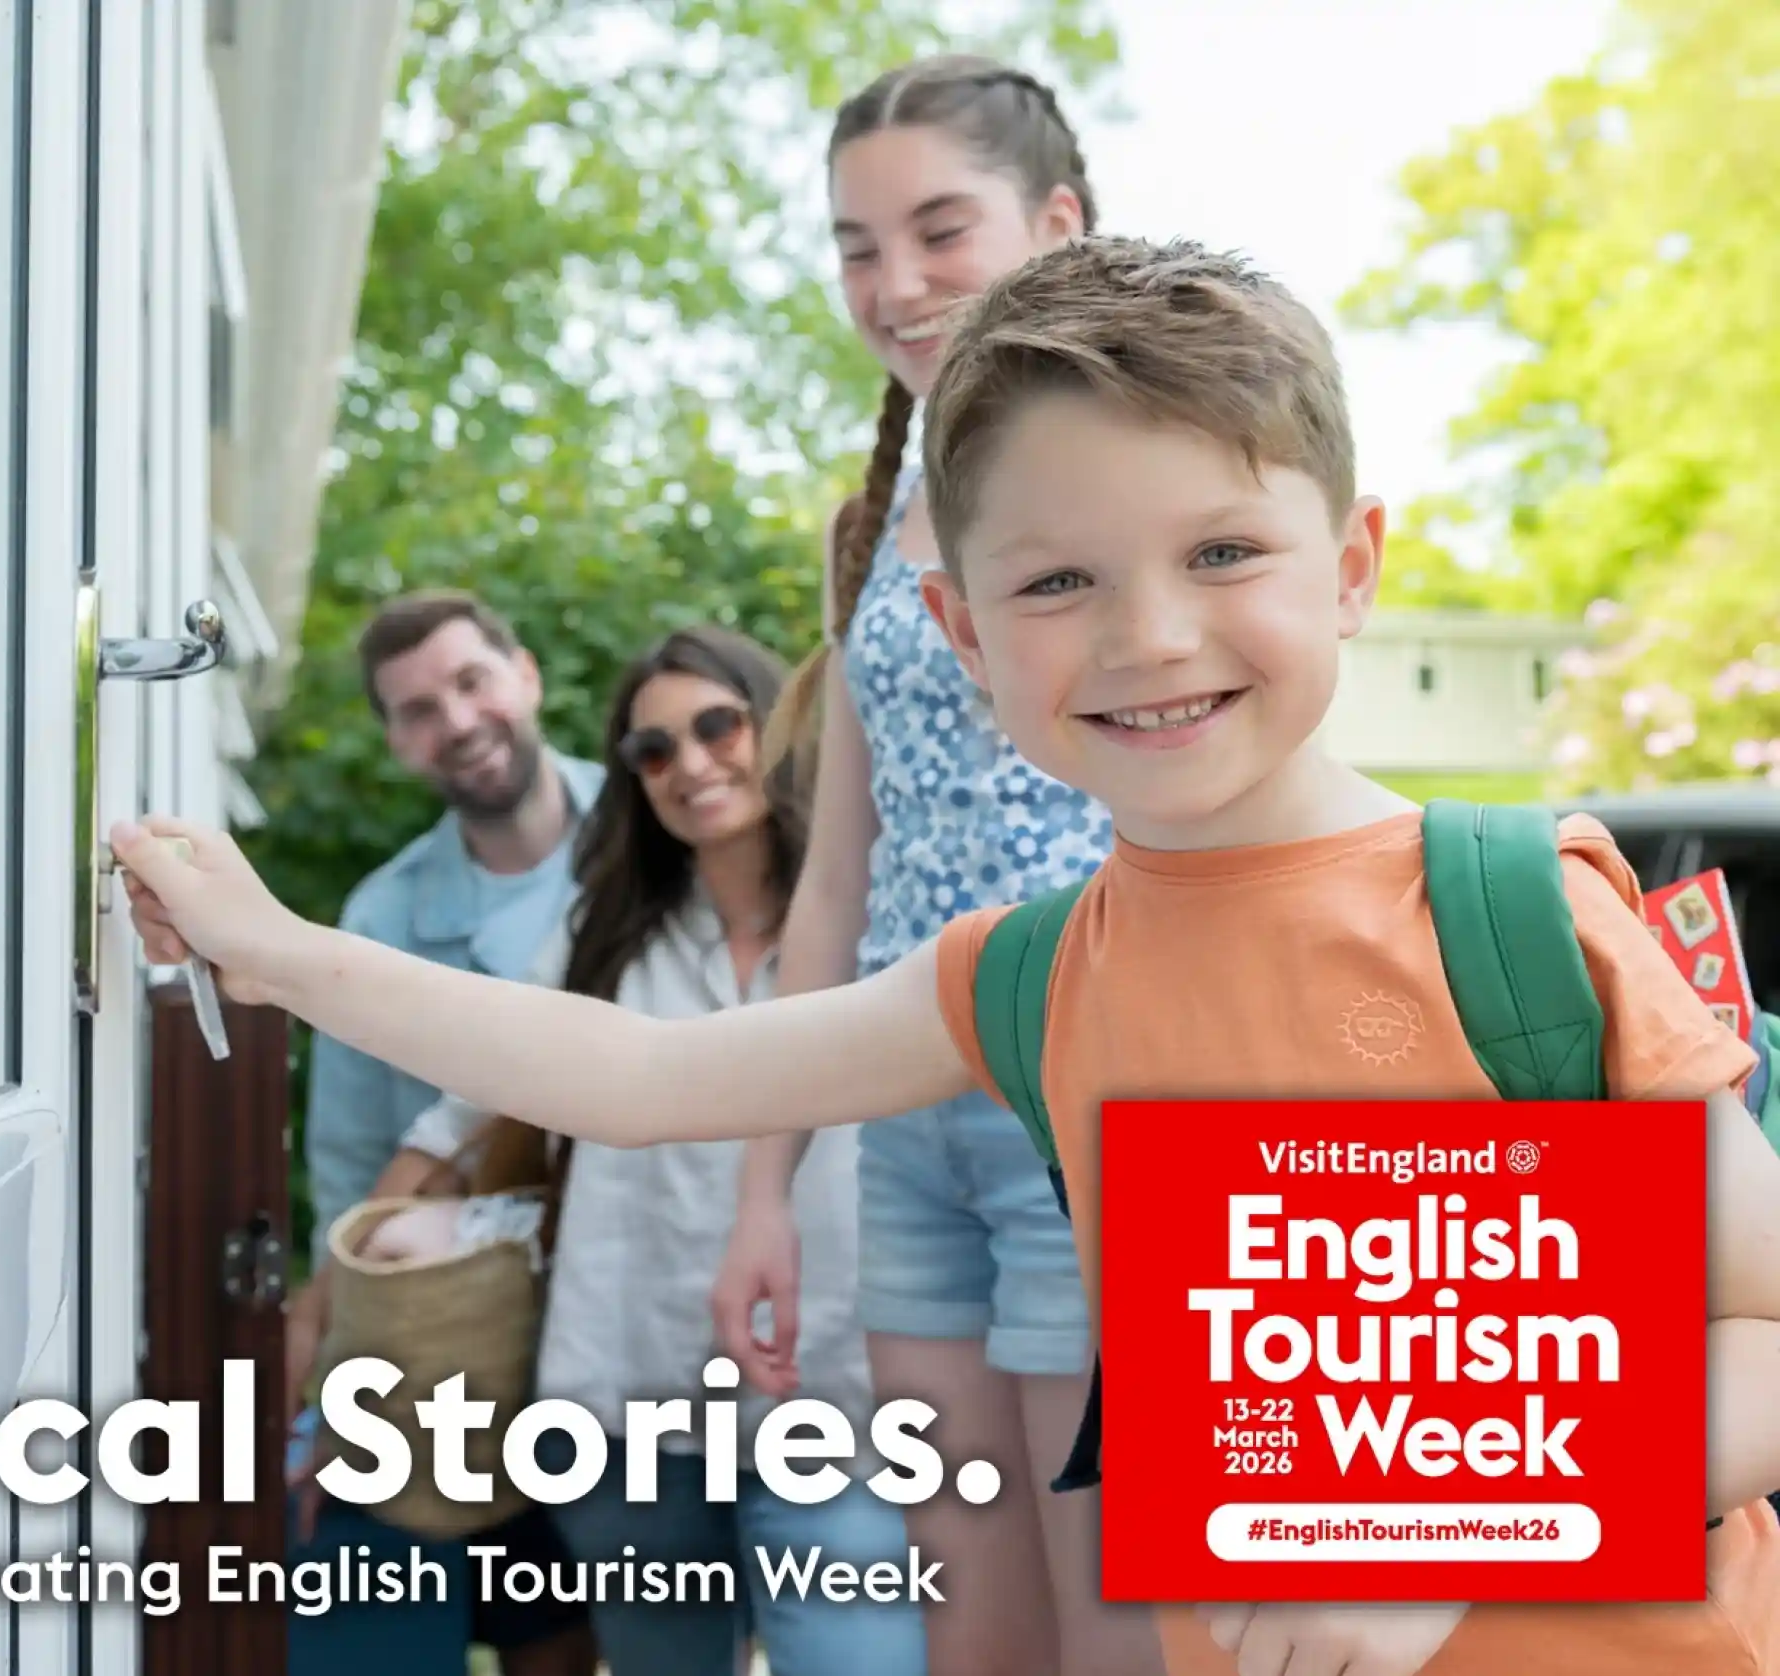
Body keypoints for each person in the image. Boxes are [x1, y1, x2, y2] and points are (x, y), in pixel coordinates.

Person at [112, 233, 1780, 1676]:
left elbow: (1761, 1339)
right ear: (966, 637)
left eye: (1221, 551)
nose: (1149, 634)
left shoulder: (1510, 909)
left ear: (1350, 569)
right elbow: (640, 1076)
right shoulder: (1031, 976)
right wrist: (282, 952)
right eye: (1058, 579)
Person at [707, 55, 1144, 1676]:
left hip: (1094, 1119)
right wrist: (765, 1192)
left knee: (1115, 1644)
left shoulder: (1136, 475)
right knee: (971, 1642)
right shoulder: (877, 523)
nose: (893, 285)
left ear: (1055, 221)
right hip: (912, 1137)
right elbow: (838, 880)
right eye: (854, 245)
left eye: (938, 229)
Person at [316, 625, 925, 1675]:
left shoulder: (881, 924)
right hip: (626, 1409)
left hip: (829, 1399)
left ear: (773, 724)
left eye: (715, 725)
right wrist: (335, 1344)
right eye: (651, 749)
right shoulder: (600, 934)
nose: (688, 763)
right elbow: (450, 1118)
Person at [289, 588, 602, 1676]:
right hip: (478, 1331)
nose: (456, 719)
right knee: (526, 1619)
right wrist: (329, 1383)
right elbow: (351, 1186)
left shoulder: (656, 830)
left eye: (471, 681)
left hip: (642, 1294)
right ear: (393, 739)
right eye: (418, 707)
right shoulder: (379, 922)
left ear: (524, 674)